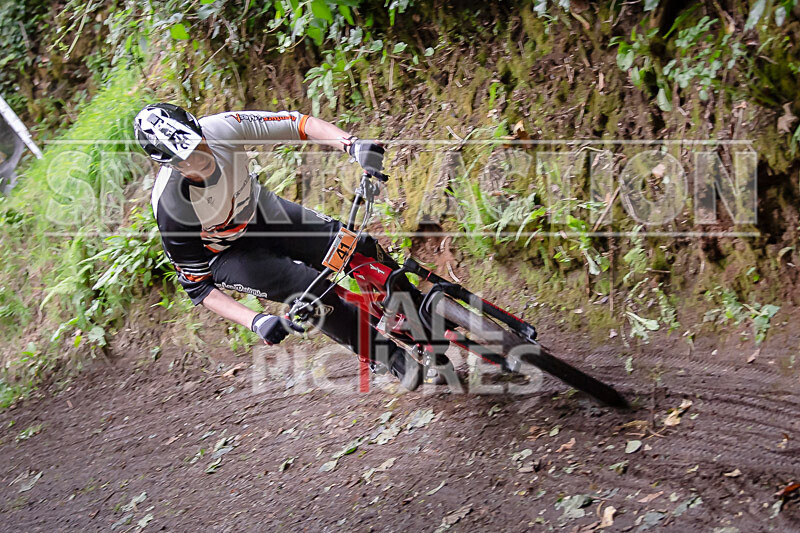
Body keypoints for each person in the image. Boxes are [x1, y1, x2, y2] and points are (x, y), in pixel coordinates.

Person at [133, 103, 424, 390]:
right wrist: (255, 320)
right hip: (225, 254)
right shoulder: (171, 207)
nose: (199, 160)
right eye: (184, 159)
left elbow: (297, 124)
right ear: (169, 165)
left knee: (356, 246)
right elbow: (198, 287)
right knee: (309, 292)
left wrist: (351, 145)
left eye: (198, 145)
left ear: (199, 129)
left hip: (260, 212)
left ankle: (418, 309)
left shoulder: (223, 127)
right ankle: (385, 354)